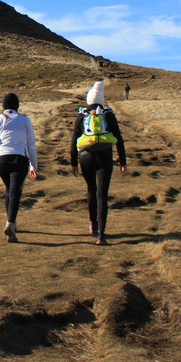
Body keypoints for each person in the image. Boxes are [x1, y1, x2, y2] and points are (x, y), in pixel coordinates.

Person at [70, 81, 127, 246]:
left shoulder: (81, 115)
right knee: (102, 194)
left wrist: (74, 163)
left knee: (91, 190)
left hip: (85, 157)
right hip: (104, 157)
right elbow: (119, 139)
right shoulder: (108, 115)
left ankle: (93, 225)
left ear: (88, 100)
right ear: (101, 100)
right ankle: (101, 235)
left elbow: (74, 141)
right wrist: (123, 161)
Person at [0, 93, 39, 243]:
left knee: (9, 190)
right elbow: (31, 144)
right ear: (17, 105)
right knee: (16, 192)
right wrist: (33, 165)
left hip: (2, 160)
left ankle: (11, 222)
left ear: (3, 106)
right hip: (20, 159)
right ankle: (11, 223)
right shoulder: (25, 120)